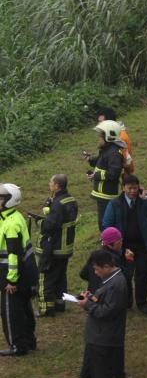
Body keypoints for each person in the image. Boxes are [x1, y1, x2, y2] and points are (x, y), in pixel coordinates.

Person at [78, 249, 127, 378]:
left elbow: (108, 311)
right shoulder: (109, 281)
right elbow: (104, 303)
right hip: (97, 336)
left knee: (104, 376)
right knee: (96, 374)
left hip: (105, 338)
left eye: (97, 269)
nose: (96, 273)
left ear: (107, 266)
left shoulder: (117, 284)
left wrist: (87, 306)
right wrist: (91, 298)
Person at [102, 175, 147, 314]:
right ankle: (126, 301)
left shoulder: (143, 201)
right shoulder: (115, 203)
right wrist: (115, 244)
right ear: (123, 188)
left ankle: (142, 302)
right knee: (125, 275)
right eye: (129, 188)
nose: (133, 191)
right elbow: (107, 224)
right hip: (123, 247)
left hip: (142, 245)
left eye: (135, 188)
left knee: (143, 274)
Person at [0, 184, 37, 356]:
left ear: (9, 200)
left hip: (12, 273)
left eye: (1, 198)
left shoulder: (10, 224)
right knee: (24, 308)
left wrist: (11, 280)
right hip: (25, 271)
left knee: (10, 312)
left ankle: (17, 346)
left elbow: (13, 254)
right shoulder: (14, 217)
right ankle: (29, 341)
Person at [35, 174, 78, 317]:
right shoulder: (70, 199)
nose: (49, 184)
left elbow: (49, 226)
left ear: (57, 185)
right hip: (66, 247)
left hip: (54, 247)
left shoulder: (58, 203)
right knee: (60, 277)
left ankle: (46, 308)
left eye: (51, 182)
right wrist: (49, 209)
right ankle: (60, 304)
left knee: (46, 277)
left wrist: (38, 220)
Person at [85, 120, 126, 229]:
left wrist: (96, 175)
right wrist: (90, 160)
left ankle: (109, 241)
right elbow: (100, 162)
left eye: (101, 136)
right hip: (102, 193)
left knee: (105, 222)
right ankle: (107, 239)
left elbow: (114, 173)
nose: (99, 138)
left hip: (107, 194)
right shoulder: (106, 150)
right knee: (103, 221)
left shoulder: (114, 153)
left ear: (108, 137)